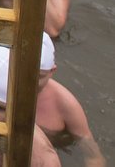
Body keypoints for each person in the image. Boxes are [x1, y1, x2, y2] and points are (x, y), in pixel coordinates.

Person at [37, 34, 106, 165]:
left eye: (39, 77)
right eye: (25, 74)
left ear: (52, 71)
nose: (31, 82)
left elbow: (93, 155)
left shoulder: (65, 103)